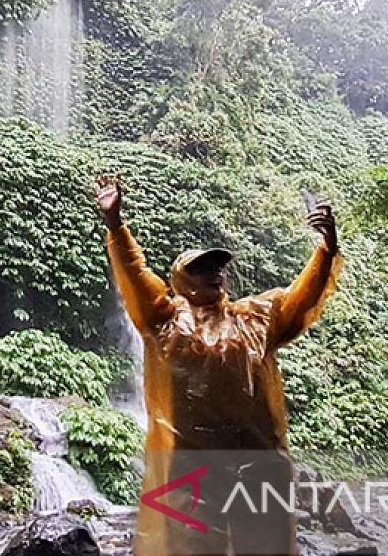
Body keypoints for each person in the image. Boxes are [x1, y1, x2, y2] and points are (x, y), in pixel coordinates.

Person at [95, 175, 342, 556]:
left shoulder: (256, 317)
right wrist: (115, 223)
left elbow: (299, 299)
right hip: (191, 467)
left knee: (267, 547)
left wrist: (326, 250)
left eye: (217, 266)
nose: (214, 272)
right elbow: (135, 274)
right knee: (193, 548)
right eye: (202, 267)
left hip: (258, 459)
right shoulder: (164, 319)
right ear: (182, 278)